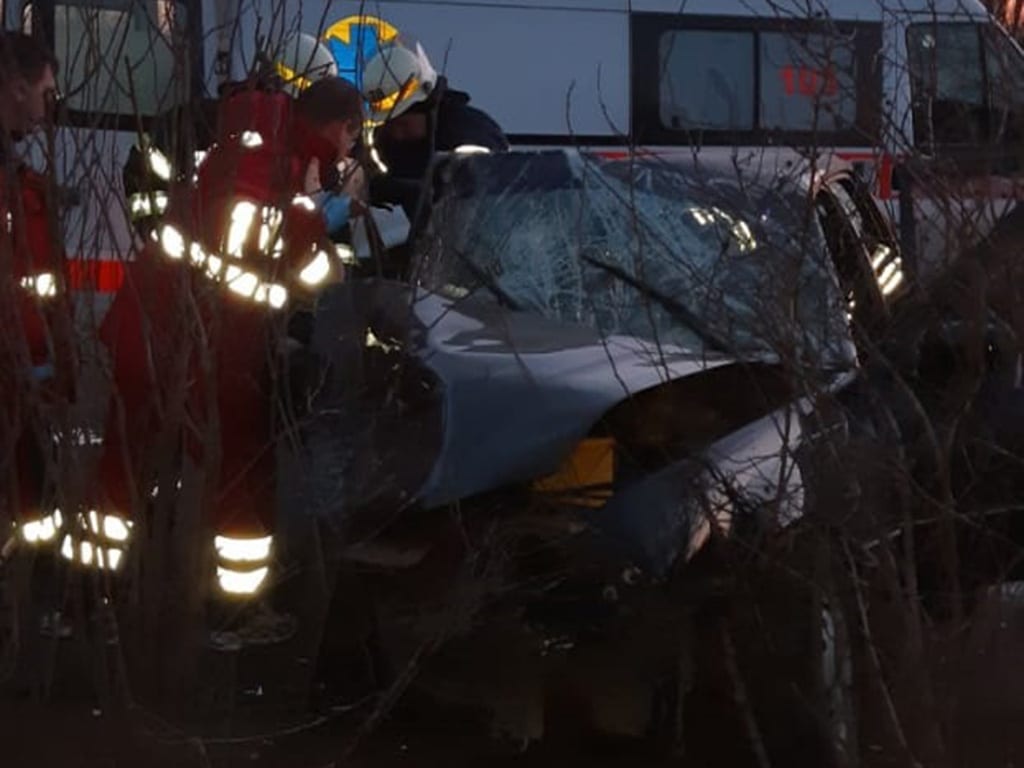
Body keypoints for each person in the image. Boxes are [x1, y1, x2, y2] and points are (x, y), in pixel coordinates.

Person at [96, 74, 365, 646]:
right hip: (206, 344)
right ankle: (233, 617)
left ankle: (86, 602)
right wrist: (321, 225)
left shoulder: (252, 150)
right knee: (242, 472)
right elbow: (258, 244)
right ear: (341, 127)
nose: (350, 150)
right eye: (352, 136)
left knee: (125, 464)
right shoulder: (271, 164)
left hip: (154, 331)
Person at [0, 32, 72, 565]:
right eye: (46, 94)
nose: (50, 110)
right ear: (16, 86)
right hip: (12, 371)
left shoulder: (17, 177)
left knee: (32, 487)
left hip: (20, 372)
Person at [359, 38, 509, 217]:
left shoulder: (471, 134)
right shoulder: (383, 140)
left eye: (403, 125)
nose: (396, 133)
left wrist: (419, 191)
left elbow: (488, 196)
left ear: (428, 108)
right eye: (389, 125)